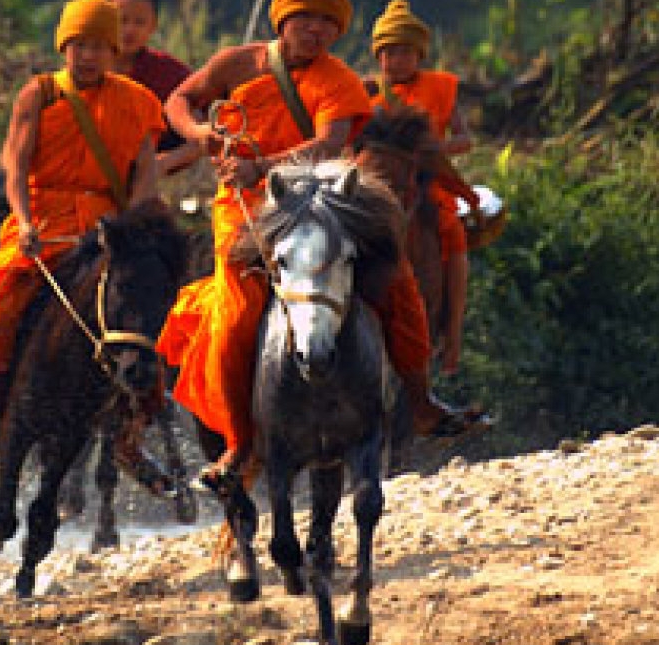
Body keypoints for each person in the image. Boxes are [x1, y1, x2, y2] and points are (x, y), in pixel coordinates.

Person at [154, 0, 482, 484]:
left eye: (329, 22)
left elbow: (326, 145)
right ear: (282, 20)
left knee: (399, 284)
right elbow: (178, 100)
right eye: (306, 17)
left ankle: (420, 401)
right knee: (235, 311)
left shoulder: (340, 81)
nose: (317, 29)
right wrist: (200, 132)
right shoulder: (236, 62)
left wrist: (259, 167)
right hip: (245, 210)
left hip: (318, 200)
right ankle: (239, 443)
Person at [0, 0, 166, 464]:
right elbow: (16, 164)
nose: (87, 56)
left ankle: (133, 430)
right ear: (64, 46)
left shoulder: (138, 101)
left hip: (107, 226)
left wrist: (136, 225)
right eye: (78, 46)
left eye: (98, 47)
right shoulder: (39, 94)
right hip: (44, 221)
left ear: (112, 50)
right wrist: (24, 222)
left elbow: (145, 170)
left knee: (144, 309)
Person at [369, 0, 474, 374]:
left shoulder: (441, 87)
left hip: (429, 184)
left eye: (404, 52)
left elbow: (465, 139)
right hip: (379, 187)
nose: (396, 60)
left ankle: (453, 335)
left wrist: (434, 150)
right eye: (388, 52)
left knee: (452, 231)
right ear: (378, 55)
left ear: (419, 54)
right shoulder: (365, 93)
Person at [114, 0, 200, 174]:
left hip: (154, 182)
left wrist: (164, 163)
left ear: (153, 26)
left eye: (139, 22)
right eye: (122, 20)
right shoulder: (88, 69)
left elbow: (204, 132)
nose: (130, 29)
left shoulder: (169, 72)